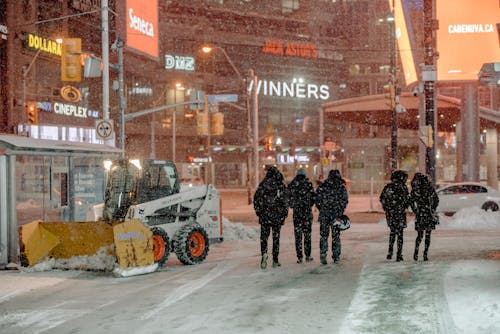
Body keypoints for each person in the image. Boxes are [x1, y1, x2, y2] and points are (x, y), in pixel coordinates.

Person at [253, 166, 289, 269]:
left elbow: (256, 199)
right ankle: (275, 260)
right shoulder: (280, 185)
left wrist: (259, 212)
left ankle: (264, 254)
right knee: (276, 238)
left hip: (265, 216)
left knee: (264, 238)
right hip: (277, 216)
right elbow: (285, 201)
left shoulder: (263, 185)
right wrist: (283, 214)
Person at [315, 169, 348, 265]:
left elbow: (317, 200)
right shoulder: (341, 188)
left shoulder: (323, 187)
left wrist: (322, 209)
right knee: (336, 236)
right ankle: (336, 256)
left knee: (324, 236)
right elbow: (345, 201)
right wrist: (340, 210)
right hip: (336, 216)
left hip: (324, 215)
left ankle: (323, 254)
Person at [379, 170, 411, 261]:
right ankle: (399, 254)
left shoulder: (388, 187)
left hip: (391, 214)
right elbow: (407, 200)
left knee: (392, 233)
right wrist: (404, 206)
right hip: (400, 213)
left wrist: (387, 208)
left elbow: (382, 198)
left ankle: (390, 253)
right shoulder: (403, 187)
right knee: (400, 234)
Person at [287, 168, 315, 264]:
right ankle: (308, 255)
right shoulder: (308, 184)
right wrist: (308, 205)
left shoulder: (292, 184)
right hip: (307, 213)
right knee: (307, 235)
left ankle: (299, 257)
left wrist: (293, 205)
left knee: (298, 236)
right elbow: (313, 198)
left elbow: (288, 197)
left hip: (297, 214)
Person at [409, 172, 439, 261]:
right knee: (428, 235)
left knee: (419, 235)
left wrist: (415, 210)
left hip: (420, 214)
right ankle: (425, 254)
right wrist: (432, 208)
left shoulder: (415, 190)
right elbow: (436, 199)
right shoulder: (429, 188)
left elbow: (411, 201)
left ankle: (416, 253)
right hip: (428, 213)